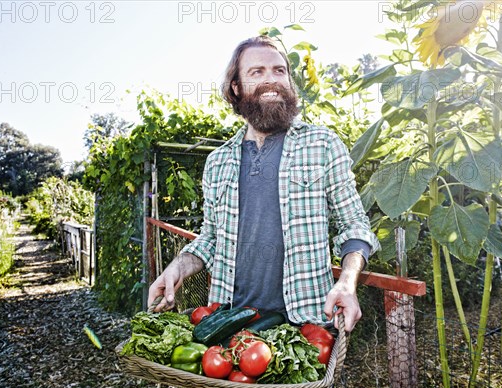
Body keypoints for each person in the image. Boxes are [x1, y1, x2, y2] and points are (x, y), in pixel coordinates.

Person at [148, 36, 379, 336]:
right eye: (257, 72)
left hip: (307, 328)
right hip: (229, 326)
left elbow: (355, 227)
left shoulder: (322, 145)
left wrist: (347, 283)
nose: (272, 80)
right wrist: (178, 266)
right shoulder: (218, 163)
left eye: (279, 70)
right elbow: (211, 238)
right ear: (236, 87)